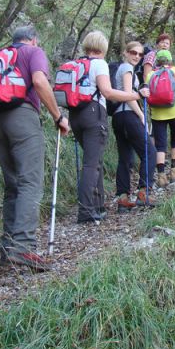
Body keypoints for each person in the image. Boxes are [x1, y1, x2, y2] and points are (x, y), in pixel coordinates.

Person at [0, 26, 70, 272]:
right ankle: (23, 248)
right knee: (30, 182)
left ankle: (8, 249)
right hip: (23, 118)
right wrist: (58, 116)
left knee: (12, 185)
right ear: (33, 39)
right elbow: (38, 81)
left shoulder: (1, 55)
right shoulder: (33, 52)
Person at [70, 31, 148, 223]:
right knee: (91, 164)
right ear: (103, 47)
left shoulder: (75, 65)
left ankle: (98, 206)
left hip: (75, 115)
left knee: (93, 161)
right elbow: (107, 92)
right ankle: (87, 211)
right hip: (94, 113)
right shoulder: (99, 64)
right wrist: (136, 96)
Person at [112, 41, 157, 211]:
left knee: (125, 158)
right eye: (133, 52)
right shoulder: (127, 68)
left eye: (140, 54)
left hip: (118, 117)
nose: (137, 56)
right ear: (125, 52)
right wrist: (141, 116)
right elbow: (128, 94)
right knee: (149, 152)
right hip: (128, 115)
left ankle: (123, 198)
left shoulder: (122, 68)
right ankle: (143, 192)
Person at [146, 50, 175, 187]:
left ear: (157, 61)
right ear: (170, 60)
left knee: (160, 144)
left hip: (158, 113)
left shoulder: (151, 74)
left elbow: (146, 94)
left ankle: (161, 176)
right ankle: (174, 172)